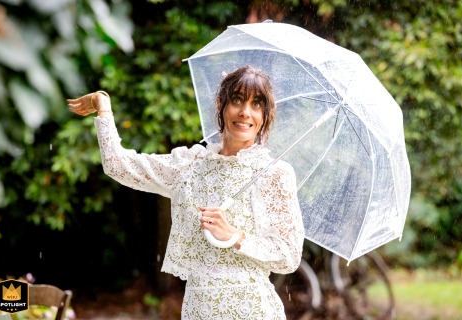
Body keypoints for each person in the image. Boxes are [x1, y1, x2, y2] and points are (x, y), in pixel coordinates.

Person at [67, 65, 304, 319]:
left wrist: (235, 236)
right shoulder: (190, 165)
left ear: (265, 115)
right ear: (220, 103)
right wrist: (102, 105)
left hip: (253, 310)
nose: (245, 112)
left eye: (256, 104)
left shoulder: (274, 173)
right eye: (237, 100)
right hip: (197, 310)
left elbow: (288, 256)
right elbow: (118, 165)